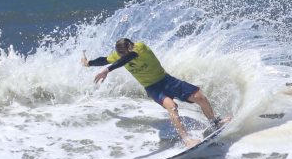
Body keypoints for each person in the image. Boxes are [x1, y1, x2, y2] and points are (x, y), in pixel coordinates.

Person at [81, 38, 227, 148]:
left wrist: (108, 70)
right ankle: (187, 139)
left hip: (166, 80)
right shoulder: (117, 56)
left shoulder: (140, 48)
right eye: (121, 55)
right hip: (152, 88)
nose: (123, 57)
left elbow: (128, 58)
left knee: (199, 96)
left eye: (125, 53)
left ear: (131, 47)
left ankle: (215, 122)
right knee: (172, 107)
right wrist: (89, 63)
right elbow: (105, 59)